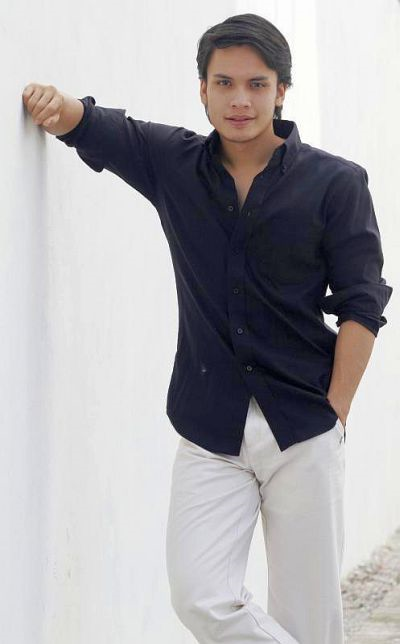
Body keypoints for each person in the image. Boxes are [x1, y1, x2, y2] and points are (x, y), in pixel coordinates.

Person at [22, 12, 393, 644]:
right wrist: (57, 106)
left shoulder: (336, 182)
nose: (239, 99)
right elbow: (103, 128)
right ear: (202, 89)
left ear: (281, 91)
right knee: (200, 596)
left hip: (303, 424)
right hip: (209, 426)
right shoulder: (174, 163)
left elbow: (362, 302)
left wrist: (337, 410)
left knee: (309, 619)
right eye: (224, 83)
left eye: (256, 84)